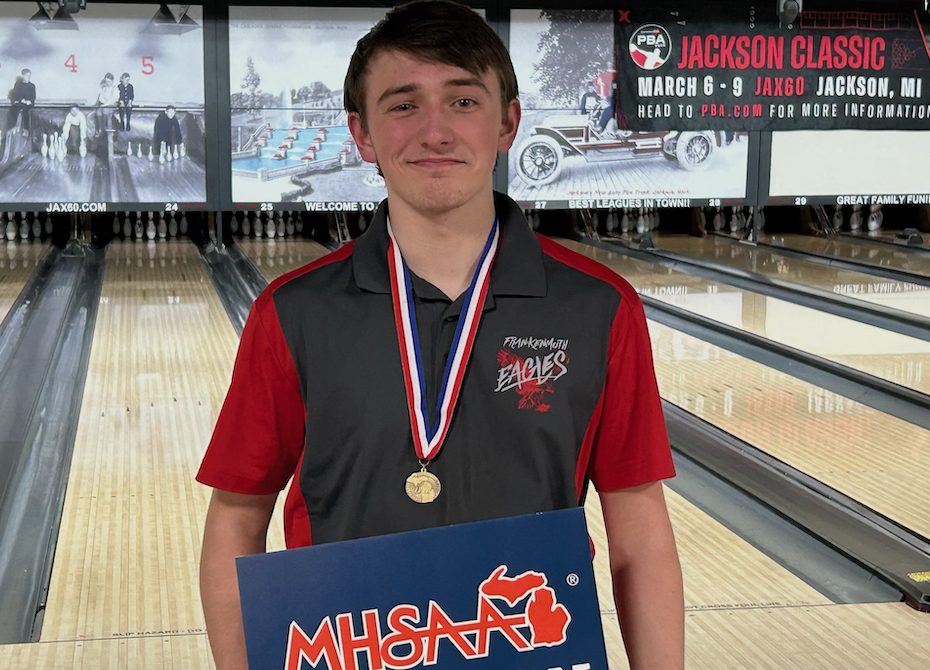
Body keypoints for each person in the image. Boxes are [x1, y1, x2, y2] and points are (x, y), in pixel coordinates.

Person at [197, 3, 683, 670]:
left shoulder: (599, 309)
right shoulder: (292, 313)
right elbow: (235, 518)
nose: (435, 130)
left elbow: (640, 536)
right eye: (402, 106)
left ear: (508, 122)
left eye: (462, 101)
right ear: (362, 134)